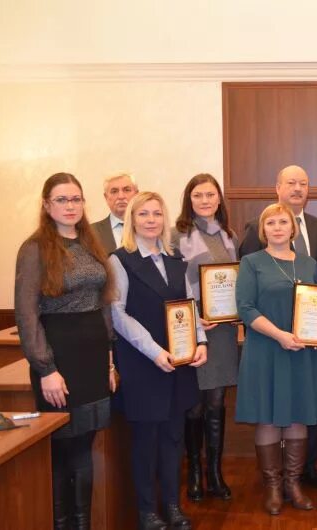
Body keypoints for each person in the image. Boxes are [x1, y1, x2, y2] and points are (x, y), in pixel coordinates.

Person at [14, 172, 116, 530]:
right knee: (62, 448)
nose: (70, 206)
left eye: (76, 199)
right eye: (62, 199)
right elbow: (27, 314)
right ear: (46, 205)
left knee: (85, 447)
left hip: (92, 356)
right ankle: (62, 524)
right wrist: (46, 369)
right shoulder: (34, 249)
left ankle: (82, 524)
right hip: (59, 356)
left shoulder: (91, 242)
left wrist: (108, 362)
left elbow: (103, 304)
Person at [110, 191, 208, 530]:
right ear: (132, 220)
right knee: (146, 442)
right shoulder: (120, 260)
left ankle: (172, 506)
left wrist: (201, 342)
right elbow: (117, 314)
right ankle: (147, 512)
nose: (151, 220)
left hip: (179, 363)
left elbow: (189, 305)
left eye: (156, 214)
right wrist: (154, 351)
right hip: (143, 364)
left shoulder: (175, 259)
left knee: (173, 439)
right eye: (143, 214)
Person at [238, 164, 317, 487]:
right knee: (268, 416)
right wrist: (280, 335)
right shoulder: (251, 262)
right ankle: (273, 487)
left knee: (298, 415)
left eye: (283, 222)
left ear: (293, 228)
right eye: (271, 223)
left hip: (302, 350)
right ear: (263, 229)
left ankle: (293, 484)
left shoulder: (309, 263)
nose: (278, 227)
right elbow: (245, 308)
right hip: (266, 346)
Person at [172, 173, 240, 502]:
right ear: (189, 199)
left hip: (224, 331)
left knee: (216, 402)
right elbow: (170, 285)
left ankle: (215, 472)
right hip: (191, 327)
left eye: (210, 195)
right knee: (194, 405)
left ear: (218, 199)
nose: (204, 200)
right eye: (198, 195)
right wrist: (194, 317)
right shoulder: (176, 236)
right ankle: (195, 472)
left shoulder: (229, 236)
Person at [91, 172, 139, 254]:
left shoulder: (150, 227)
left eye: (127, 190)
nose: (121, 196)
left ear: (136, 194)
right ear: (106, 197)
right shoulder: (91, 232)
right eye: (114, 191)